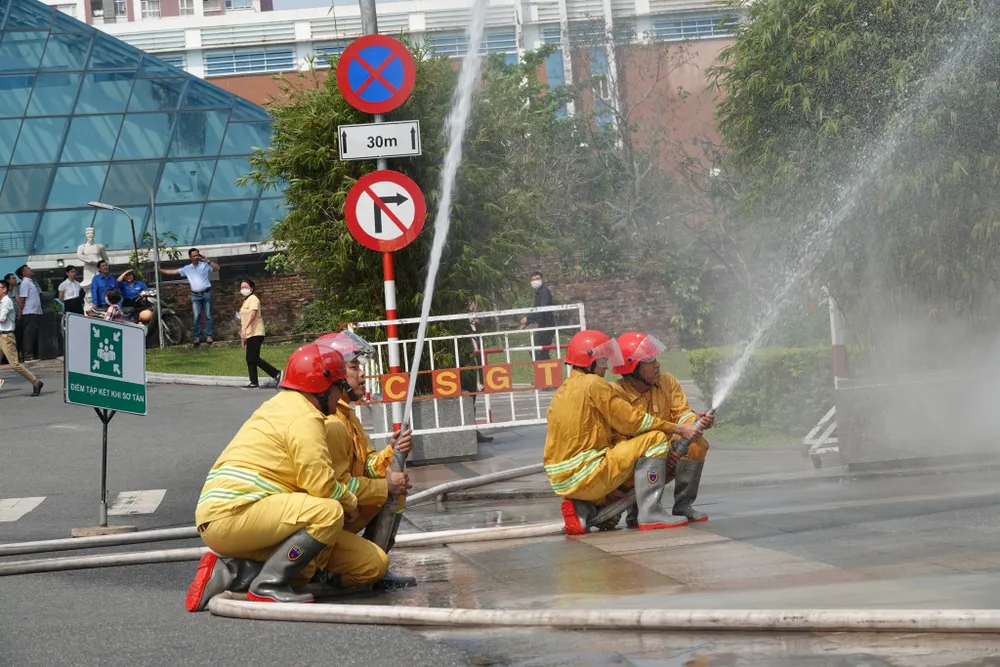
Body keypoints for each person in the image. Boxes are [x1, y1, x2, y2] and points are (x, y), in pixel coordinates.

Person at [186, 342, 390, 612]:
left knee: (372, 565)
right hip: (234, 512)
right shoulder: (305, 418)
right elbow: (321, 484)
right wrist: (350, 503)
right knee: (327, 512)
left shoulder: (284, 406)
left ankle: (235, 572)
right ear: (322, 387)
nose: (341, 393)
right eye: (339, 385)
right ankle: (268, 584)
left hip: (243, 514)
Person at [543, 329, 704, 535]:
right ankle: (650, 513)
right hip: (588, 473)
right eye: (602, 361)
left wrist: (690, 422)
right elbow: (631, 421)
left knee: (647, 451)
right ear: (590, 360)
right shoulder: (594, 384)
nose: (606, 366)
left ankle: (589, 508)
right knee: (655, 439)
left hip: (563, 480)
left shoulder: (563, 390)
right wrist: (676, 429)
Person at [315, 330, 417, 590]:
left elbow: (367, 465)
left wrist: (392, 451)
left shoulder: (348, 415)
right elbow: (335, 485)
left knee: (397, 490)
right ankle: (339, 569)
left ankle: (374, 561)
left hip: (346, 506)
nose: (362, 374)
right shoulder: (332, 421)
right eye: (354, 367)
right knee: (392, 489)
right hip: (331, 514)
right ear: (335, 374)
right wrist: (386, 485)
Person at [612, 332, 714, 524]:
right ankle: (640, 509)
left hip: (666, 453)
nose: (657, 364)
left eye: (655, 358)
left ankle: (682, 505)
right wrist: (661, 454)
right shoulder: (617, 394)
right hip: (634, 464)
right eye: (649, 360)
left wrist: (695, 422)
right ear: (632, 367)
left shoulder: (667, 382)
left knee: (696, 444)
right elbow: (620, 443)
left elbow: (682, 413)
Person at [160, 248, 218, 346]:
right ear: (190, 257)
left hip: (206, 293)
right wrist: (160, 270)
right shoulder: (187, 268)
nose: (196, 257)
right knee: (196, 317)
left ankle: (209, 336)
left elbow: (217, 268)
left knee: (208, 315)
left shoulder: (204, 265)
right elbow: (173, 272)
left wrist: (208, 261)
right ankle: (197, 337)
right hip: (195, 296)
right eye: (194, 256)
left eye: (197, 255)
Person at [0, 279, 42, 396]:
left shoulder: (7, 301)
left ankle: (35, 382)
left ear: (4, 289)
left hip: (6, 336)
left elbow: (2, 318)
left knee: (14, 364)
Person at [239, 279, 281, 389]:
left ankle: (277, 373)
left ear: (251, 288)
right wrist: (243, 335)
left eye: (246, 287)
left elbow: (252, 315)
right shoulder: (246, 301)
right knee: (250, 358)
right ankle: (253, 382)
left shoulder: (253, 299)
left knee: (253, 357)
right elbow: (243, 319)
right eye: (242, 287)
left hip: (256, 332)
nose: (243, 289)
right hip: (249, 333)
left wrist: (245, 328)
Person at [520, 271, 556, 360]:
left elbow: (542, 310)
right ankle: (547, 367)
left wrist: (527, 319)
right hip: (544, 326)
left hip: (547, 326)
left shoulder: (544, 292)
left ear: (542, 280)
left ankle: (544, 367)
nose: (535, 281)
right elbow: (537, 311)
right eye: (533, 279)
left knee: (535, 350)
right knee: (542, 351)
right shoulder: (539, 293)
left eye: (537, 279)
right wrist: (527, 323)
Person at [76, 227, 109, 312]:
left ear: (94, 234)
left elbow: (105, 258)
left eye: (91, 233)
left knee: (100, 284)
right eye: (88, 233)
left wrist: (103, 266)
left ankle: (101, 302)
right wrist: (90, 260)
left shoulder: (99, 246)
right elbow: (79, 255)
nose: (90, 235)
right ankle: (89, 305)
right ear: (85, 235)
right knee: (89, 286)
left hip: (98, 268)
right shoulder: (82, 247)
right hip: (88, 268)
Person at [15, 265, 41, 362]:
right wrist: (20, 310)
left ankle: (31, 354)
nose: (30, 270)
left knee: (32, 334)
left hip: (34, 311)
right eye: (28, 269)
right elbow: (22, 298)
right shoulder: (25, 282)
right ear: (23, 273)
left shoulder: (30, 282)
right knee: (28, 334)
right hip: (29, 312)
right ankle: (28, 355)